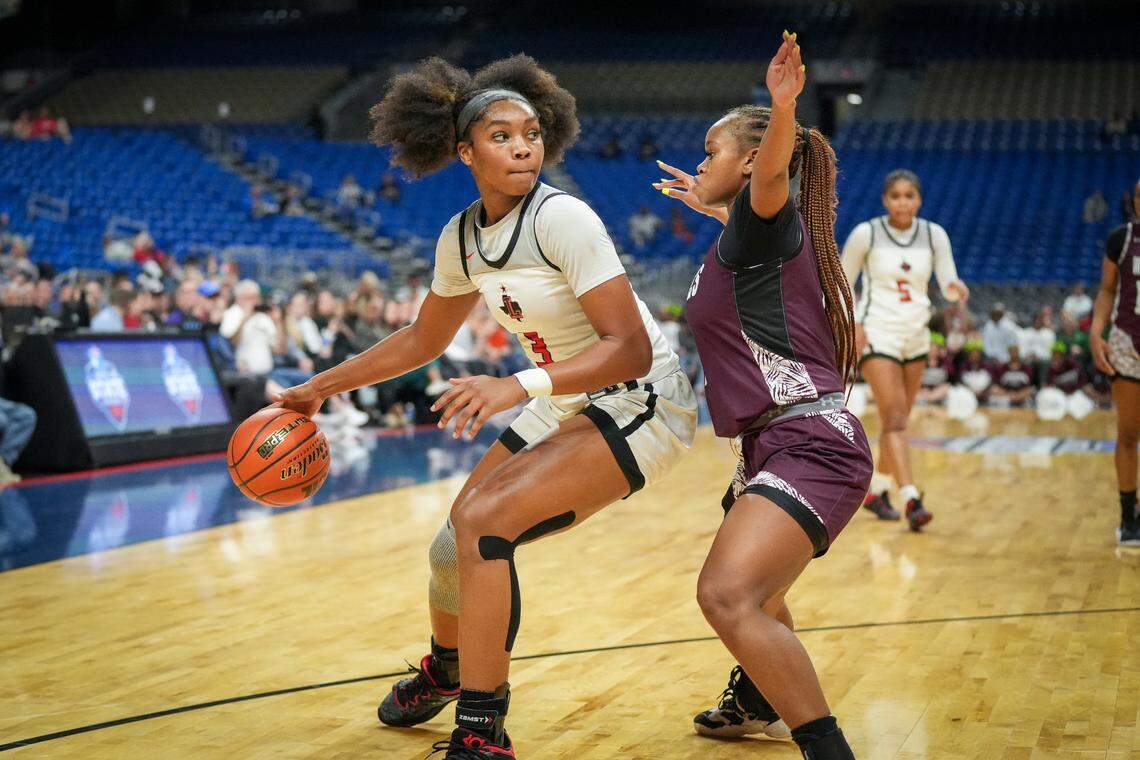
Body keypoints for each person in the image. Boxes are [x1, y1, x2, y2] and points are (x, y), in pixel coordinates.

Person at [276, 54, 696, 758]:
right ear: (464, 150)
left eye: (532, 132)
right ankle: (446, 669)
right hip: (564, 397)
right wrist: (324, 384)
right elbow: (422, 339)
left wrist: (517, 385)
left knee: (485, 523)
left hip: (640, 397)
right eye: (501, 136)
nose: (523, 145)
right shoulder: (462, 238)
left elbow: (627, 349)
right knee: (451, 545)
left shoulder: (564, 218)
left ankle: (482, 729)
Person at [655, 32, 869, 759]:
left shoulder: (763, 210)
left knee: (726, 596)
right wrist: (715, 207)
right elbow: (748, 227)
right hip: (770, 443)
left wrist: (782, 109)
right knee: (763, 592)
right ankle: (755, 695)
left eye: (712, 152)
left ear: (750, 163)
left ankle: (827, 749)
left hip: (811, 442)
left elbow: (769, 179)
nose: (700, 161)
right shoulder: (743, 241)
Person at [840, 168, 968, 529]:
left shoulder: (933, 234)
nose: (902, 202)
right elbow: (842, 281)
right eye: (895, 196)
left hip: (916, 334)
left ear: (919, 200)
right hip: (877, 332)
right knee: (895, 419)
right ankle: (911, 497)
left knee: (896, 420)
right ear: (885, 200)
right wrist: (854, 324)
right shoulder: (867, 233)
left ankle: (876, 491)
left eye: (908, 196)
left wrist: (956, 290)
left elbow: (946, 281)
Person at [1090, 220, 1140, 545]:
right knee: (1129, 432)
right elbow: (1108, 289)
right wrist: (1096, 332)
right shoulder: (1122, 239)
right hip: (1127, 342)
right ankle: (1128, 517)